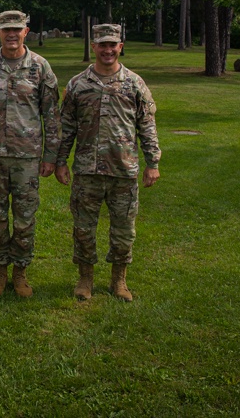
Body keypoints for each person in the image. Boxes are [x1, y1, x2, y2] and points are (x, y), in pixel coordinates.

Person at [55, 24, 161, 302]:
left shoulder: (135, 83)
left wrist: (153, 162)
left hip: (123, 172)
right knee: (83, 229)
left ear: (120, 47)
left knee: (124, 230)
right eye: (102, 44)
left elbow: (147, 125)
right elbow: (66, 127)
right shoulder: (78, 84)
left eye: (112, 44)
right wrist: (60, 161)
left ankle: (119, 280)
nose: (108, 50)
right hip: (87, 171)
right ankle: (85, 278)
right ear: (94, 47)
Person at [0, 10, 60, 298]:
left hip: (27, 158)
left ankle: (20, 272)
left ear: (26, 32)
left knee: (24, 218)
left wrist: (50, 156)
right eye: (5, 29)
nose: (11, 34)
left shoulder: (40, 67)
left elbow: (52, 115)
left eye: (16, 29)